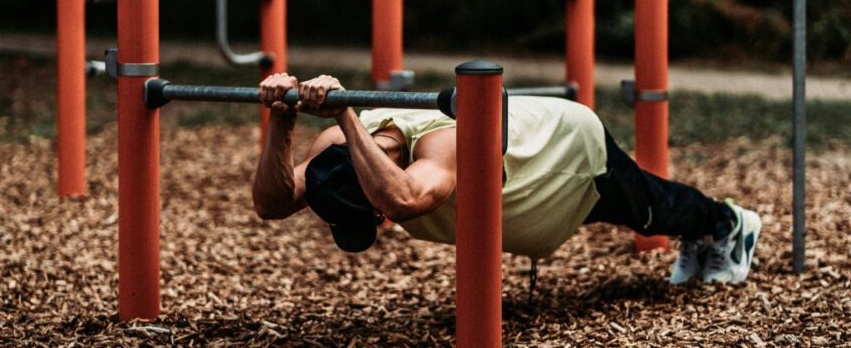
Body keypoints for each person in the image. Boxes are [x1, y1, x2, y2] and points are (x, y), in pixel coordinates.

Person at [252, 73, 762, 285]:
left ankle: (728, 223)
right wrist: (281, 118)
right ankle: (704, 230)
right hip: (528, 190)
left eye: (374, 215)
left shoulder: (438, 145)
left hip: (563, 156)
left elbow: (405, 198)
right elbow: (273, 204)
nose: (382, 223)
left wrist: (344, 114)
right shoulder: (337, 153)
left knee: (651, 209)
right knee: (650, 208)